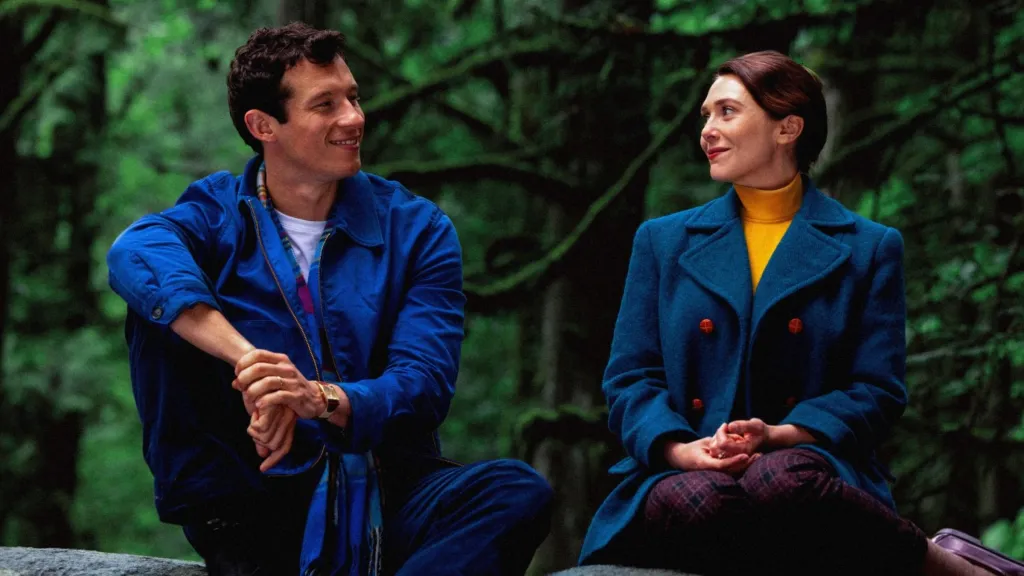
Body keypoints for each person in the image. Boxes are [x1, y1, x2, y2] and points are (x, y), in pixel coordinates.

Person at [107, 22, 552, 576]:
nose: (354, 118)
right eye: (326, 104)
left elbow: (423, 383)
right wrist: (252, 365)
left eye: (353, 97)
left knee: (516, 491)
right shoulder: (215, 213)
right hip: (249, 497)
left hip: (388, 487)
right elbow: (133, 252)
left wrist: (319, 398)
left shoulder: (416, 228)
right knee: (161, 304)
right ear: (263, 125)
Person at [578, 50, 996, 576]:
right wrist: (682, 450)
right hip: (684, 466)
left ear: (787, 128)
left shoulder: (869, 247)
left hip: (806, 462)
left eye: (727, 112)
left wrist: (780, 435)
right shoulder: (662, 241)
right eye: (705, 115)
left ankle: (947, 567)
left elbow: (876, 390)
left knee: (779, 483)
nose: (707, 130)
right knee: (701, 499)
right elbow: (630, 378)